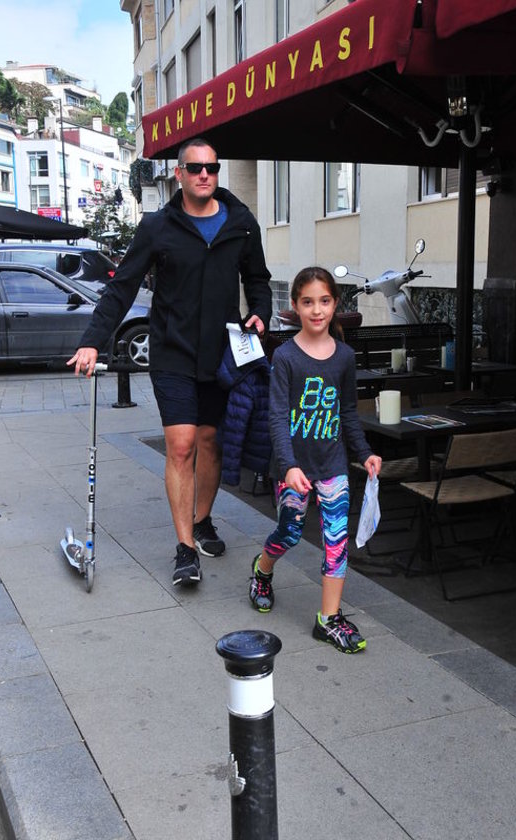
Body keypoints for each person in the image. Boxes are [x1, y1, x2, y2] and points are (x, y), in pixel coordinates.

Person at [68, 137, 272, 587]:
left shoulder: (240, 222)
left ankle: (202, 521)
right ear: (179, 174)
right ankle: (185, 549)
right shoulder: (157, 226)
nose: (205, 175)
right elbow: (122, 286)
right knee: (181, 445)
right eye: (195, 168)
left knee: (210, 442)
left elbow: (258, 279)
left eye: (212, 167)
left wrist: (261, 310)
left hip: (221, 354)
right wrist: (93, 341)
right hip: (173, 352)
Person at [249, 266, 381, 653]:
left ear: (335, 303)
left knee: (336, 542)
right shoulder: (286, 357)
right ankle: (262, 570)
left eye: (324, 301)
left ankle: (329, 619)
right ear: (295, 306)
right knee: (289, 533)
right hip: (294, 468)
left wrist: (365, 453)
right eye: (308, 302)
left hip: (333, 466)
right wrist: (289, 466)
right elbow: (277, 417)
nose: (317, 310)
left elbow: (348, 413)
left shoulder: (345, 357)